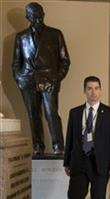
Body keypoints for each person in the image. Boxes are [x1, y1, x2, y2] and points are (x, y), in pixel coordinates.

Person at [12, 2, 70, 155]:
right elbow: (16, 62)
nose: (38, 17)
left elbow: (65, 60)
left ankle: (59, 146)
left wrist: (57, 78)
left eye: (40, 14)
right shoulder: (21, 37)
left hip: (49, 80)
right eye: (34, 15)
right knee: (33, 114)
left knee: (51, 113)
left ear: (44, 14)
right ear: (28, 17)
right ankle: (38, 146)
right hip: (28, 81)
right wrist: (19, 79)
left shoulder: (55, 34)